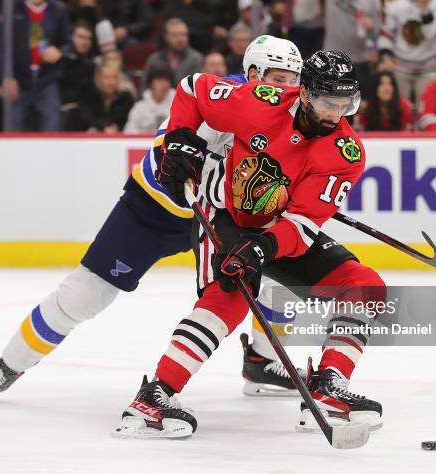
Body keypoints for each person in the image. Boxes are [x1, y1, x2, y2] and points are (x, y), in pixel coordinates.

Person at [0, 35, 307, 406]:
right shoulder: (221, 96)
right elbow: (168, 151)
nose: (286, 89)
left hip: (221, 218)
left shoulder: (289, 115)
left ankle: (261, 361)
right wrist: (195, 166)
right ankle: (7, 367)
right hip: (155, 211)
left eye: (292, 80)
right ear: (252, 73)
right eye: (278, 78)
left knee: (269, 271)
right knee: (83, 295)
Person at [115, 50, 385, 439]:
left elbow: (303, 224)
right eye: (329, 103)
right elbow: (192, 89)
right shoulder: (261, 102)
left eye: (346, 105)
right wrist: (179, 138)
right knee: (231, 297)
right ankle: (153, 397)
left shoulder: (346, 153)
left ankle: (328, 388)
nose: (336, 114)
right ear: (305, 94)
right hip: (226, 213)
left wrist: (263, 248)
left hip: (279, 231)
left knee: (365, 286)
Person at [4, 0, 69, 132]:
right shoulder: (13, 10)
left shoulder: (58, 10)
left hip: (47, 79)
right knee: (12, 127)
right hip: (19, 80)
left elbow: (67, 42)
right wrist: (7, 76)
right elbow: (2, 46)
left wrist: (59, 51)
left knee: (52, 124)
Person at [378, 0, 436, 107]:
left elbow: (433, 35)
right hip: (400, 66)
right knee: (401, 107)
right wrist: (386, 57)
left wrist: (425, 11)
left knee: (425, 107)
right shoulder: (395, 6)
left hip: (428, 67)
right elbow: (386, 34)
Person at [70, 60, 134, 133]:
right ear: (98, 78)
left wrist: (117, 127)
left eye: (114, 77)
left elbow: (131, 121)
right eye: (106, 77)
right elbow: (85, 117)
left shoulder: (126, 98)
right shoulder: (88, 95)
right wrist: (103, 126)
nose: (110, 82)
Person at [141, 18, 204, 91]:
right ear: (165, 37)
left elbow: (199, 90)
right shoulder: (154, 60)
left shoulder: (196, 59)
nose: (180, 39)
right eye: (175, 35)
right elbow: (144, 87)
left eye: (183, 34)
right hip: (158, 101)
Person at [124, 67, 175, 134]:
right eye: (159, 80)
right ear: (151, 83)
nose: (163, 85)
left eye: (166, 80)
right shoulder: (139, 107)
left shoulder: (178, 104)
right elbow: (128, 130)